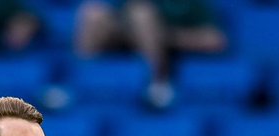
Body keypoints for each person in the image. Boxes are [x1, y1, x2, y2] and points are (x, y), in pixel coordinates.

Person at [74, 0, 226, 109]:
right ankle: (76, 83)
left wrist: (162, 35)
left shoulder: (191, 4)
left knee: (141, 14)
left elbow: (215, 40)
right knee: (92, 12)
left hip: (172, 57)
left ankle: (158, 82)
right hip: (125, 44)